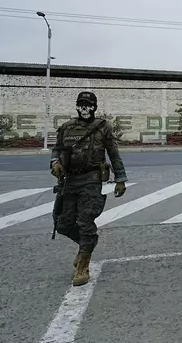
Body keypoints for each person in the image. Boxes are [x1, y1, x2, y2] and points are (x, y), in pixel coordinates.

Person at [50, 91, 128, 286]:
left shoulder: (103, 128)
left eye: (88, 105)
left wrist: (120, 179)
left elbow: (114, 154)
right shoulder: (67, 127)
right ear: (77, 106)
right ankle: (86, 245)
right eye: (81, 104)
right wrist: (54, 163)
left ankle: (83, 265)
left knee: (85, 221)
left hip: (91, 179)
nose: (85, 108)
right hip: (69, 181)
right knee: (63, 224)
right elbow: (57, 149)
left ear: (94, 107)